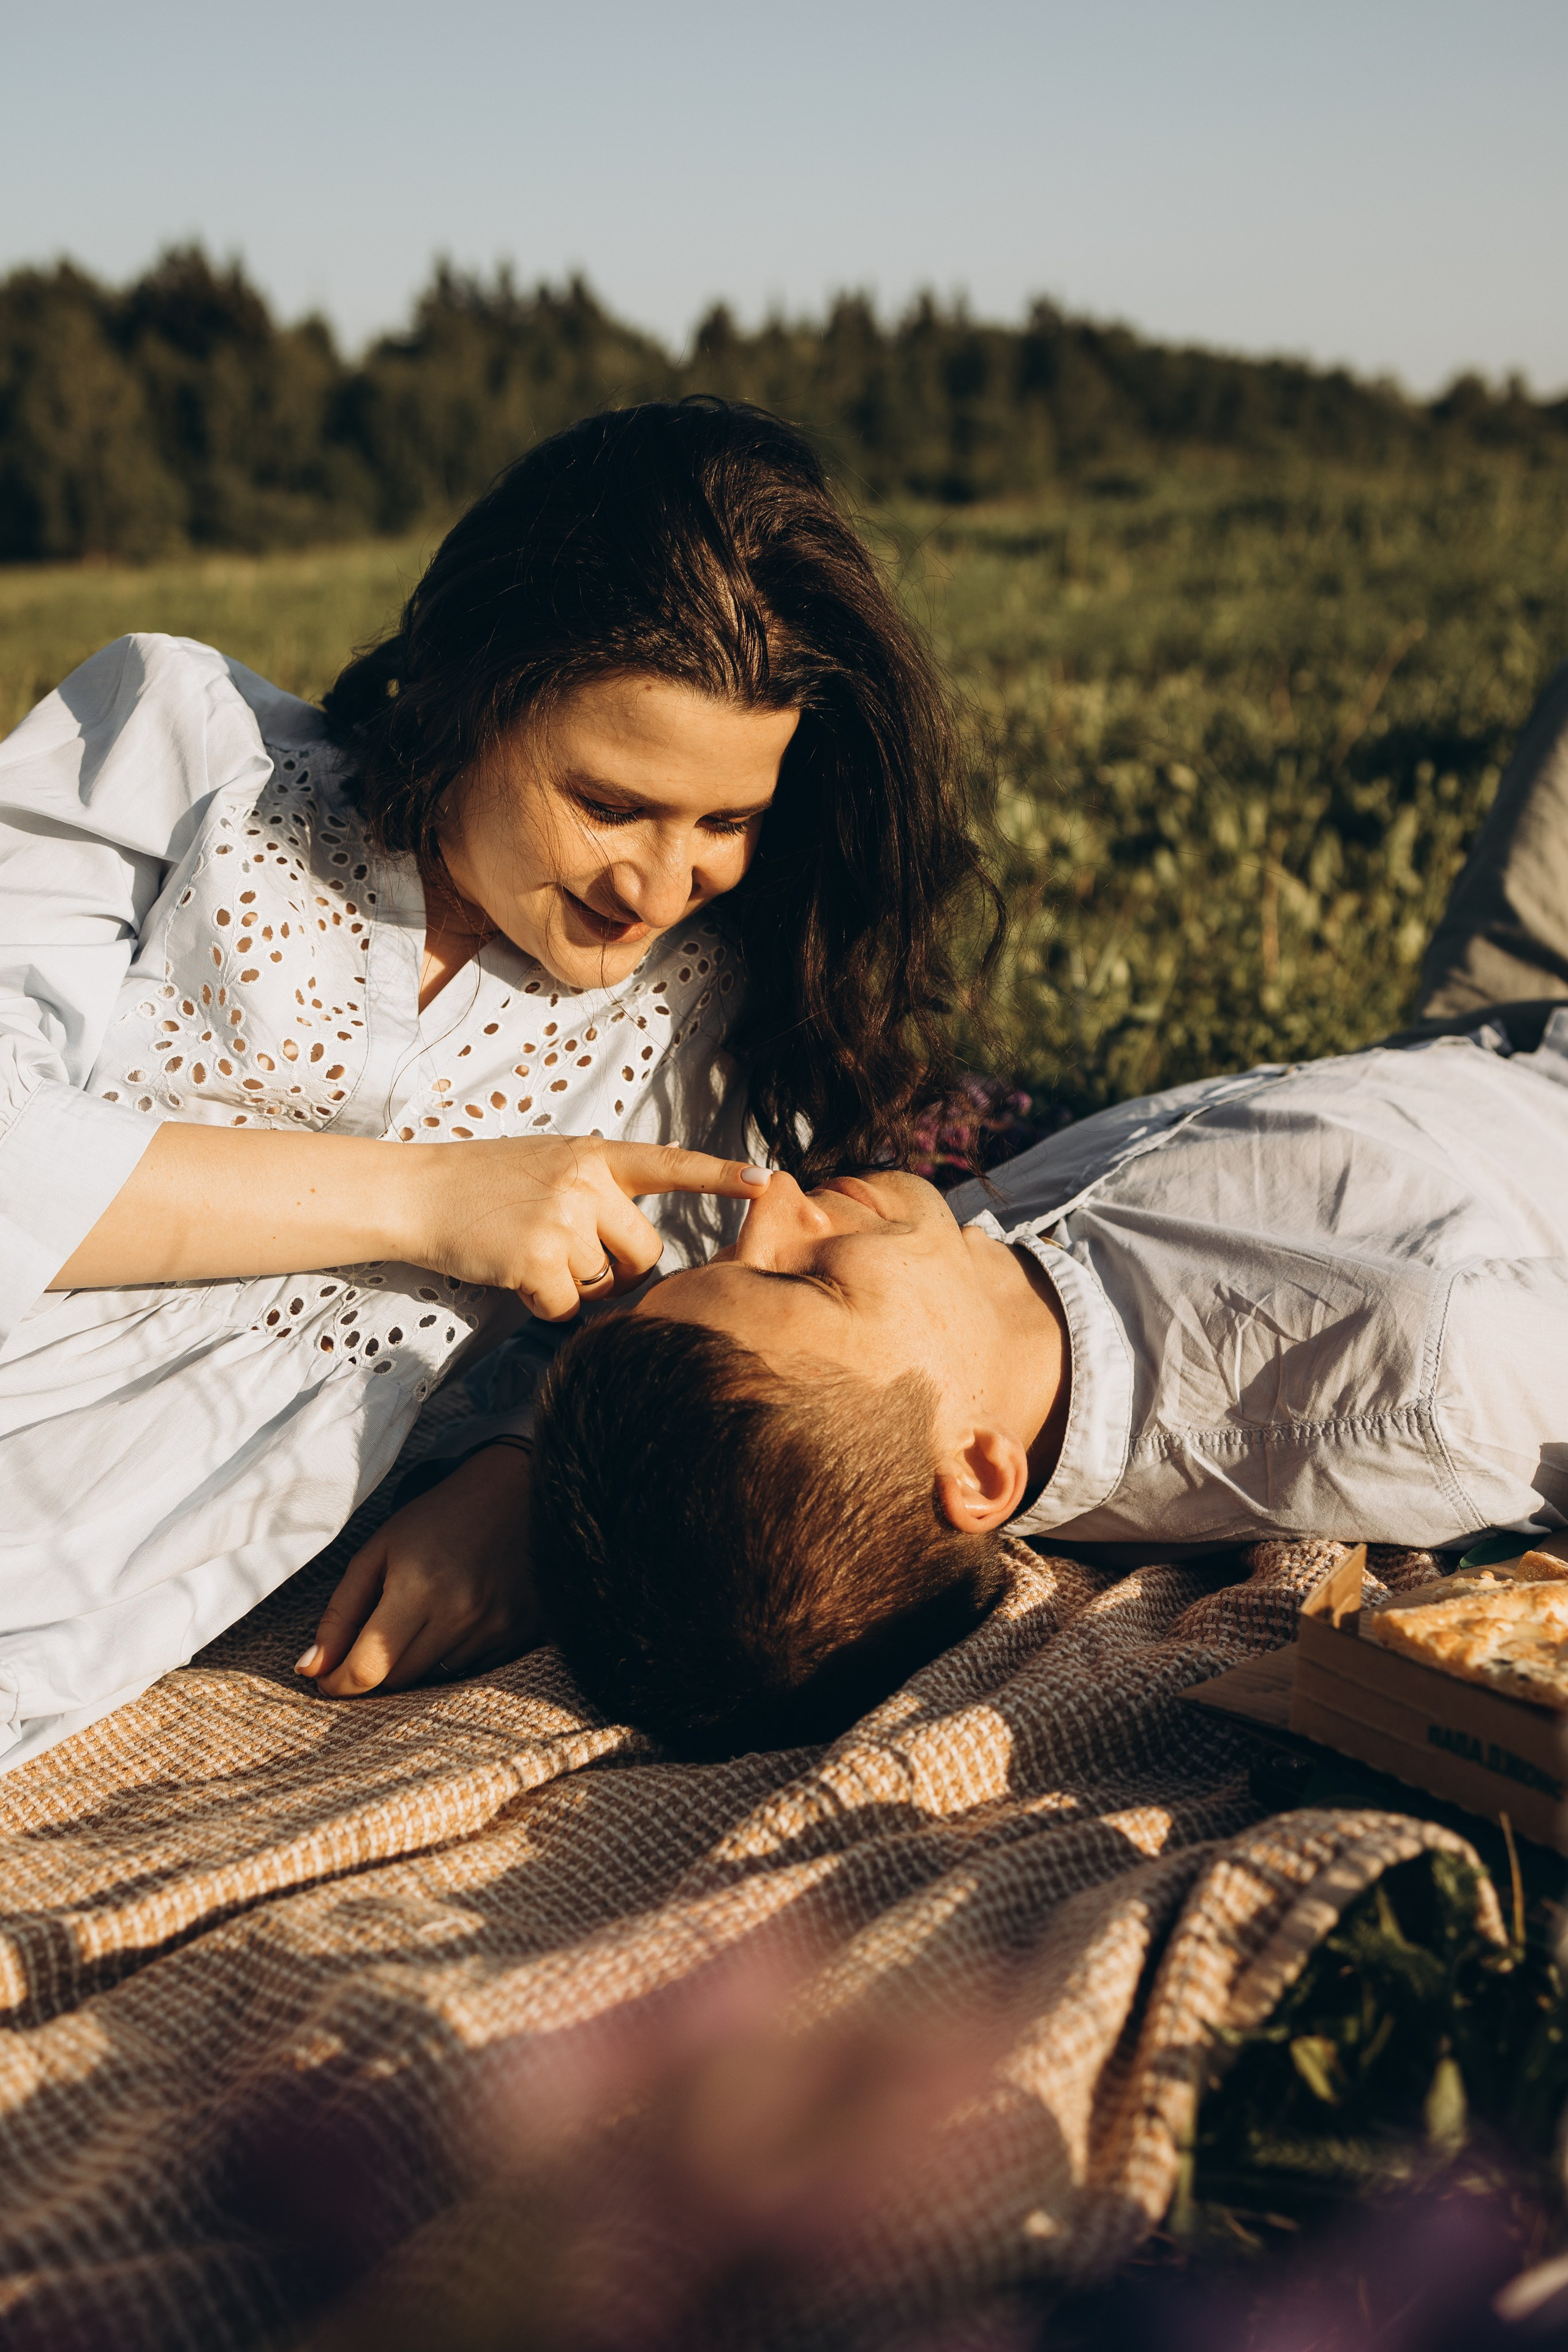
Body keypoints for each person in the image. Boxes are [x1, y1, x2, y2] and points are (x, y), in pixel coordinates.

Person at [0, 401, 997, 1769]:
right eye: (608, 804)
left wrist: (520, 1480)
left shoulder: (710, 1020)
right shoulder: (186, 752)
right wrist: (431, 1200)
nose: (659, 886)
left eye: (727, 821)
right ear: (469, 695)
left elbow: (699, 1357)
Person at [529, 661, 1568, 1759]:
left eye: (737, 1258)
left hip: (1457, 1045)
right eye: (811, 1280)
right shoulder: (1416, 1385)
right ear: (981, 1471)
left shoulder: (960, 1301)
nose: (778, 1202)